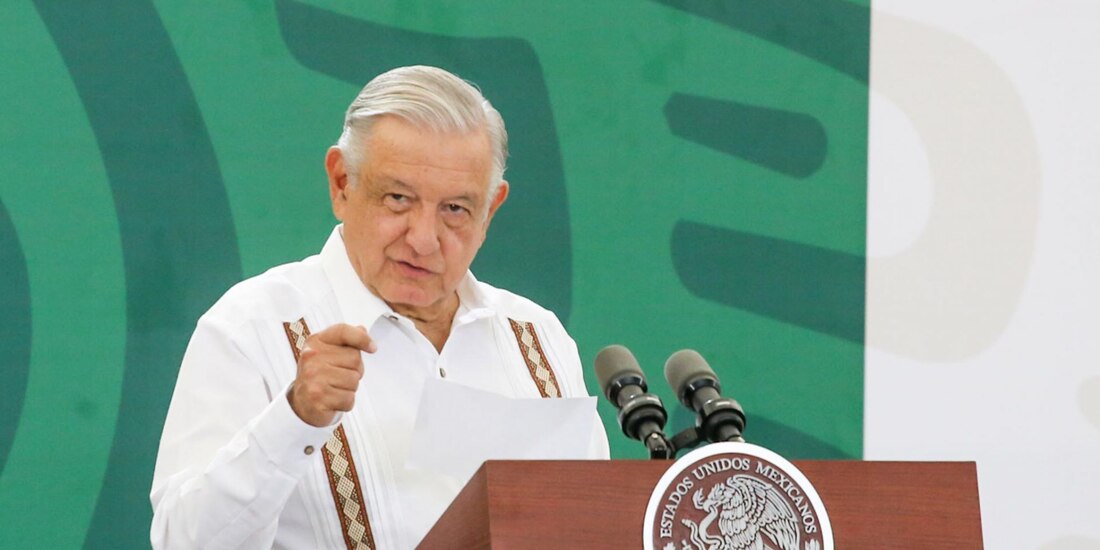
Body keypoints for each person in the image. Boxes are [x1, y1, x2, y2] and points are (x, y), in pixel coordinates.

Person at [150, 65, 609, 549]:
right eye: (398, 198)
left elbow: (594, 530)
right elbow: (184, 541)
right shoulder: (254, 325)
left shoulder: (536, 337)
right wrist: (294, 418)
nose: (424, 239)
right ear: (341, 183)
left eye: (455, 209)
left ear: (491, 209)